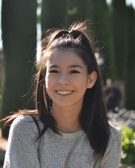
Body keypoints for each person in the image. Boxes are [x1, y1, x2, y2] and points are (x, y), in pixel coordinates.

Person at [1, 21, 121, 168]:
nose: (63, 81)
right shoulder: (26, 129)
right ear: (44, 78)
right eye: (54, 71)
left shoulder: (109, 138)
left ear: (90, 79)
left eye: (74, 71)